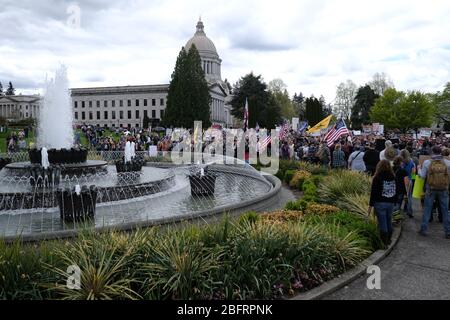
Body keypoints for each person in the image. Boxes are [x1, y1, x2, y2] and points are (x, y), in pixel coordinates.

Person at [418, 146, 450, 239]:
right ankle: (448, 231)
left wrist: (419, 169)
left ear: (432, 152)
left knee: (428, 209)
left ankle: (423, 229)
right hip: (444, 189)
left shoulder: (427, 162)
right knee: (445, 210)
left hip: (430, 189)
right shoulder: (447, 163)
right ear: (441, 152)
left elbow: (422, 176)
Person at [369, 160, 397, 245]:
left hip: (380, 202)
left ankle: (384, 241)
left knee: (382, 223)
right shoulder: (393, 176)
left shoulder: (377, 177)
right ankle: (389, 238)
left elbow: (373, 192)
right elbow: (395, 189)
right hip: (390, 202)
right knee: (388, 220)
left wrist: (370, 205)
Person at [400, 149, 415, 217]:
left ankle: (398, 212)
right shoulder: (411, 161)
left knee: (400, 196)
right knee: (409, 197)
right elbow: (414, 172)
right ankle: (410, 212)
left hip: (401, 180)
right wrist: (411, 178)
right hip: (409, 180)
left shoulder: (400, 162)